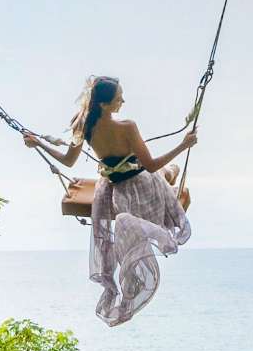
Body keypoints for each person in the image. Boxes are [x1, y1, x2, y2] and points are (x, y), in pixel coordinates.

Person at [24, 76, 196, 327]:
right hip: (141, 186)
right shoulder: (127, 126)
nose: (123, 101)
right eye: (118, 99)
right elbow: (150, 165)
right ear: (104, 104)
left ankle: (172, 172)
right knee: (162, 173)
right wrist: (184, 144)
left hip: (114, 188)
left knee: (162, 172)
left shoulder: (83, 124)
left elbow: (68, 161)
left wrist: (39, 143)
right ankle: (173, 171)